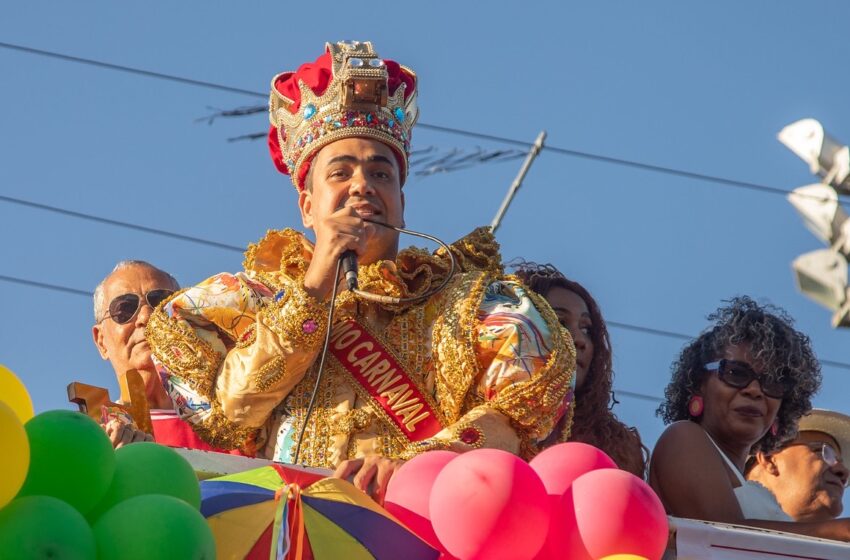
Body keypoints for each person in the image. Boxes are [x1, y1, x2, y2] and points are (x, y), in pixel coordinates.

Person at [145, 41, 574, 500]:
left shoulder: (468, 303)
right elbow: (226, 415)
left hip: (416, 526)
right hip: (287, 530)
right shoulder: (250, 301)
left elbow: (514, 420)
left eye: (381, 174)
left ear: (402, 206)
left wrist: (412, 467)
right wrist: (312, 292)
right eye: (340, 173)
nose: (362, 187)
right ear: (307, 207)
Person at [650, 296, 850, 542]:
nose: (754, 390)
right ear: (699, 385)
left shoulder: (760, 494)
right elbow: (722, 539)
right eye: (735, 373)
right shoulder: (682, 438)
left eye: (773, 382)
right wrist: (837, 532)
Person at [93, 260, 244, 453]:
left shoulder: (232, 423)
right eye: (124, 308)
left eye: (162, 304)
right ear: (101, 341)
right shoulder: (92, 435)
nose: (146, 317)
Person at [512, 262, 646, 477]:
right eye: (561, 322)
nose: (579, 339)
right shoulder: (474, 422)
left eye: (586, 328)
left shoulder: (617, 446)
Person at [746, 409, 850, 521]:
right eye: (823, 452)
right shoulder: (726, 527)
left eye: (839, 461)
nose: (843, 471)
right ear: (769, 460)